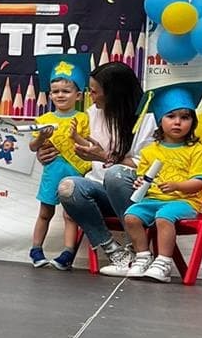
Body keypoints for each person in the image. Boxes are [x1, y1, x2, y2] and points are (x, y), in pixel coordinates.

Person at [103, 81, 202, 283]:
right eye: (171, 116)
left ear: (192, 122)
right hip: (153, 199)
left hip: (184, 202)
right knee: (132, 216)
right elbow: (144, 178)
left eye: (184, 117)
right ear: (160, 121)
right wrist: (140, 183)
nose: (177, 122)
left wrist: (178, 186)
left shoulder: (194, 150)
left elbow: (200, 181)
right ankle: (143, 257)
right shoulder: (150, 151)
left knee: (163, 216)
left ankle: (163, 263)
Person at [54, 61, 149, 271]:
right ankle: (114, 251)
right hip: (101, 191)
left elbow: (147, 166)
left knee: (115, 174)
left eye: (95, 92)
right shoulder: (92, 112)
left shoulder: (146, 117)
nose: (92, 96)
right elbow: (90, 148)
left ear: (114, 93)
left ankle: (138, 249)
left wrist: (104, 156)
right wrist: (53, 148)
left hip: (134, 193)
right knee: (67, 187)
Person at [26, 53, 90, 270]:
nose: (60, 95)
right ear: (49, 95)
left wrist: (76, 137)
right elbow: (33, 147)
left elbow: (87, 146)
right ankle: (36, 249)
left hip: (74, 171)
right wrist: (42, 137)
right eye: (55, 92)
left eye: (66, 91)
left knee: (70, 214)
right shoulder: (43, 120)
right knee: (45, 212)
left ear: (78, 95)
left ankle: (68, 252)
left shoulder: (83, 119)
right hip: (52, 171)